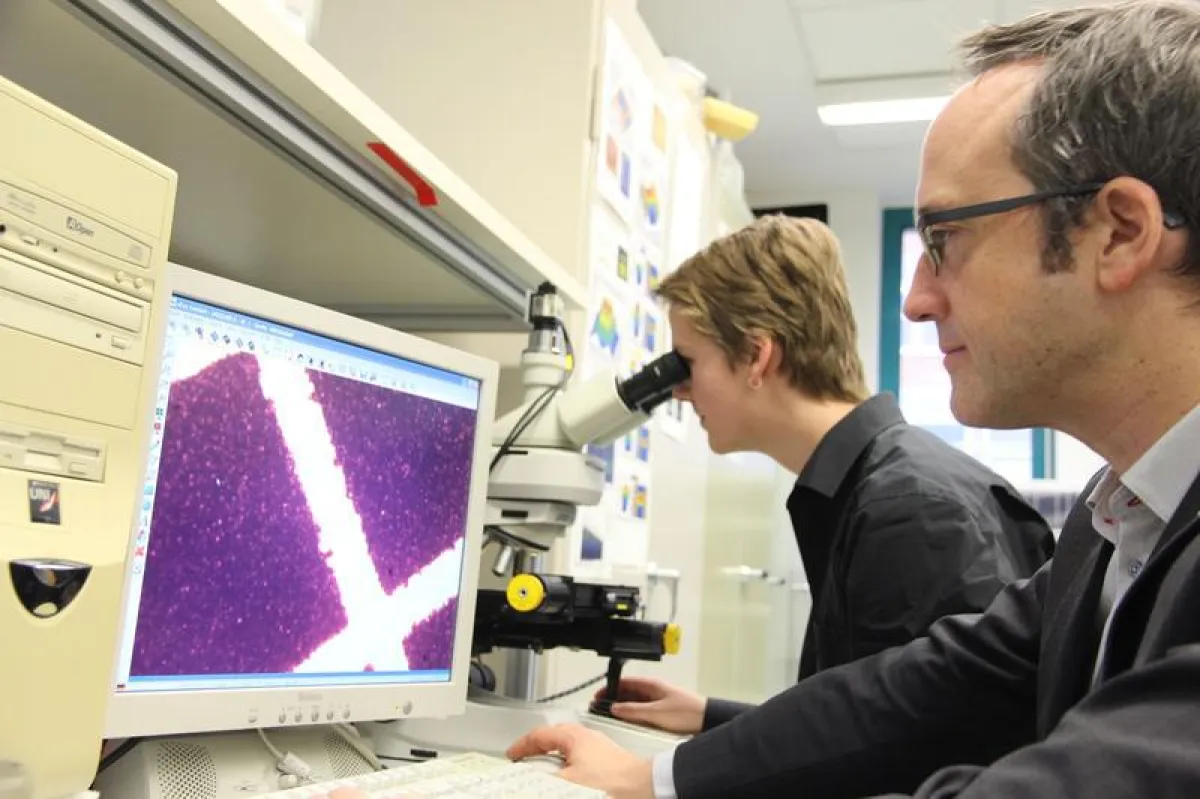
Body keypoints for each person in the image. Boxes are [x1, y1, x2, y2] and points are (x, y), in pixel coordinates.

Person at [507, 1, 1200, 796]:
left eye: (943, 240)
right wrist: (662, 777)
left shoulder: (919, 507)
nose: (915, 300)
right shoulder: (1113, 518)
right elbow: (922, 691)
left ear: (1119, 232)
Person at [590, 213, 1053, 737]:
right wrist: (712, 718)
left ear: (756, 356)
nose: (679, 391)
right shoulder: (874, 486)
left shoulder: (912, 510)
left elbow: (914, 758)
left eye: (688, 364)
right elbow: (875, 724)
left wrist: (660, 775)